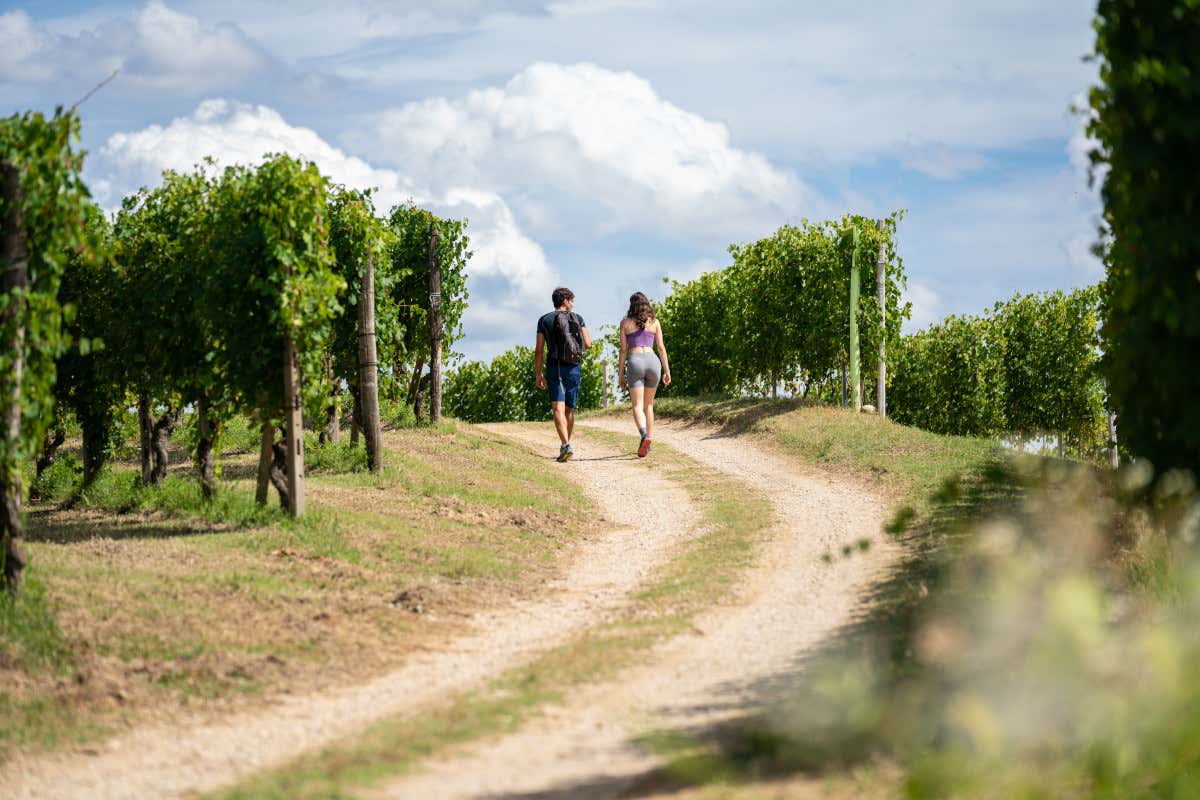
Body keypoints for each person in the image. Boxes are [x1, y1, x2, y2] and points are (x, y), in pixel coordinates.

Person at [535, 286, 592, 462]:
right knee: (569, 408)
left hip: (555, 368)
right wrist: (574, 349)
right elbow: (588, 344)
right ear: (565, 301)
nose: (573, 304)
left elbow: (539, 350)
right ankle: (566, 443)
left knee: (557, 408)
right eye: (571, 301)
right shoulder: (578, 318)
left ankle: (566, 444)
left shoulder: (544, 320)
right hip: (574, 368)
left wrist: (539, 373)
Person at [617, 292, 671, 457]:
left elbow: (623, 350)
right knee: (649, 406)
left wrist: (620, 374)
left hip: (636, 361)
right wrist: (667, 370)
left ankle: (644, 435)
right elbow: (661, 348)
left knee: (637, 405)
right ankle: (649, 443)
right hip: (653, 361)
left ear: (632, 306)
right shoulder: (655, 322)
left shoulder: (625, 323)